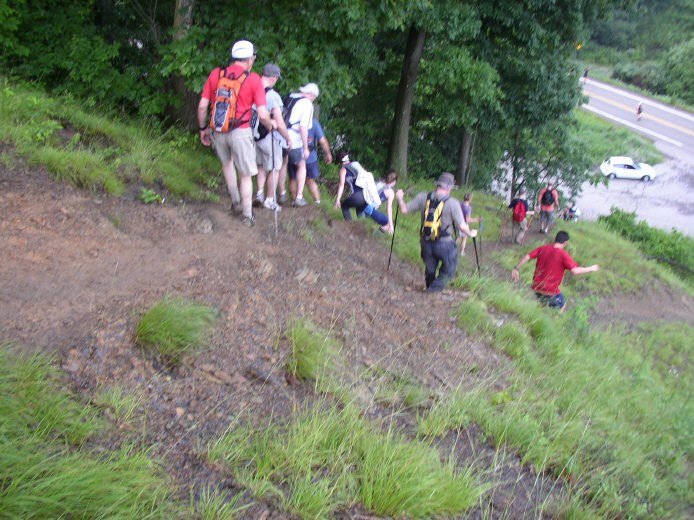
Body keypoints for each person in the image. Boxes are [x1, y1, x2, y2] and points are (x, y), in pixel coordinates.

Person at [198, 39, 270, 226]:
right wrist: (271, 125)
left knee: (227, 165)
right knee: (245, 174)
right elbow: (262, 114)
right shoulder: (253, 79)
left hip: (218, 130)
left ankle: (235, 202)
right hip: (241, 131)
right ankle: (247, 215)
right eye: (253, 57)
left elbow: (202, 106)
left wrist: (202, 129)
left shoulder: (216, 74)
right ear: (248, 59)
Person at [395, 172, 477, 292]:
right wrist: (471, 233)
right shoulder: (453, 203)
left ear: (437, 185)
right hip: (445, 244)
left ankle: (429, 286)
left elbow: (404, 209)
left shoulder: (423, 196)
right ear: (449, 188)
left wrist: (399, 198)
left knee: (430, 268)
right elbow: (462, 227)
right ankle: (432, 290)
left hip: (426, 241)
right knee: (449, 269)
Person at [511, 230, 599, 311]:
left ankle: (542, 317)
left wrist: (516, 269)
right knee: (562, 306)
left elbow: (527, 256)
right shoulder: (563, 255)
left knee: (544, 306)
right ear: (565, 243)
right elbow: (575, 271)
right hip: (550, 291)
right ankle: (555, 322)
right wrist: (591, 268)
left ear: (555, 239)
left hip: (536, 287)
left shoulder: (543, 248)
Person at [253, 63, 292, 211]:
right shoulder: (273, 96)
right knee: (276, 168)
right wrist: (288, 138)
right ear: (274, 78)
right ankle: (270, 200)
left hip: (254, 136)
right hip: (267, 136)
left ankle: (259, 193)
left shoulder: (253, 89)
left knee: (262, 165)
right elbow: (280, 123)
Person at [334, 152, 393, 233]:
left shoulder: (343, 169)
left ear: (339, 162)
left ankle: (350, 227)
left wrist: (338, 199)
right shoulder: (357, 166)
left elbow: (341, 185)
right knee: (359, 209)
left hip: (358, 196)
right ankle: (361, 232)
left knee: (344, 206)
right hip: (367, 196)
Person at [285, 83, 320, 207]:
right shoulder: (306, 104)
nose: (313, 99)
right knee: (302, 165)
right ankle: (299, 197)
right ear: (311, 94)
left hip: (279, 136)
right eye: (314, 97)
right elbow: (303, 127)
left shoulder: (290, 97)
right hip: (293, 139)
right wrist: (305, 148)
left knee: (282, 166)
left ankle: (279, 195)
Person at [288, 116, 332, 204]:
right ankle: (317, 202)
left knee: (293, 178)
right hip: (309, 156)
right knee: (310, 180)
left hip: (293, 153)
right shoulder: (313, 122)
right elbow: (322, 141)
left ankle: (294, 201)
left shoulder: (291, 119)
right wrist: (328, 153)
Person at [458, 192, 479, 256]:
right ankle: (462, 252)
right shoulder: (468, 208)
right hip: (464, 224)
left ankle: (453, 247)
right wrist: (476, 220)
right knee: (464, 238)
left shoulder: (460, 204)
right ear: (470, 199)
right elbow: (468, 219)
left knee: (460, 237)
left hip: (458, 222)